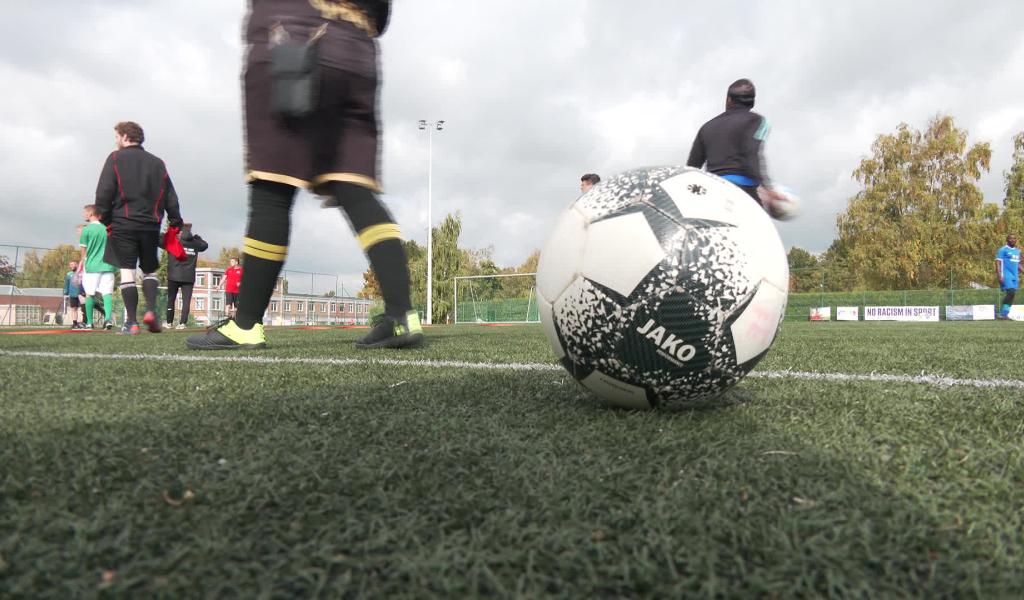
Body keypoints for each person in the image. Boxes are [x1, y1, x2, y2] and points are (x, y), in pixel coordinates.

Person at [188, 0, 422, 351]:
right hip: (358, 50)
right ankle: (403, 317)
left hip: (292, 35)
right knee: (354, 186)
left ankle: (246, 324)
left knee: (272, 187)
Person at [95, 121, 184, 334]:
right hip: (150, 224)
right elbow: (170, 193)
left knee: (127, 271)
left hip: (123, 223)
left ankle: (132, 322)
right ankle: (151, 311)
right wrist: (175, 220)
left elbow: (104, 191)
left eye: (116, 137)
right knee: (149, 269)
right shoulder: (157, 163)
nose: (115, 141)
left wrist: (105, 218)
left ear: (125, 137)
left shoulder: (115, 158)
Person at [686, 78, 784, 208]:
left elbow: (691, 169)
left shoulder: (706, 127)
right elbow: (751, 152)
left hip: (713, 194)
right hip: (745, 194)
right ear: (752, 103)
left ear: (728, 100)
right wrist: (768, 187)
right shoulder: (758, 121)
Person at [78, 204, 118, 330]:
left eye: (85, 212)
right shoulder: (106, 228)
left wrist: (82, 262)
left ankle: (89, 323)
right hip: (108, 265)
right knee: (107, 294)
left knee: (89, 294)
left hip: (92, 266)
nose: (84, 215)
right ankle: (107, 320)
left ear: (90, 214)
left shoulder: (87, 230)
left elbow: (83, 251)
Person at [165, 223, 209, 329]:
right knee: (186, 301)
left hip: (173, 276)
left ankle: (169, 322)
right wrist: (198, 238)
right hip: (188, 277)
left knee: (171, 299)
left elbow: (160, 241)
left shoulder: (174, 242)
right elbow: (205, 245)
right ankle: (182, 323)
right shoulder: (196, 244)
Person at [996, 233, 1021, 320]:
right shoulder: (1003, 250)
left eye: (1014, 238)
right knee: (1010, 291)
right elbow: (998, 263)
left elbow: (1018, 265)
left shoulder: (1018, 251)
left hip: (1015, 276)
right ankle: (1002, 313)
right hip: (1006, 274)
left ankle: (1005, 314)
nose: (1013, 240)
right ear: (1007, 240)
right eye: (1011, 238)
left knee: (1012, 294)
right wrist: (999, 275)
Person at [63, 260, 84, 329]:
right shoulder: (69, 274)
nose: (71, 266)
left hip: (82, 294)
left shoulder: (82, 273)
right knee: (73, 308)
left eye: (72, 264)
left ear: (77, 265)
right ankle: (75, 323)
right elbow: (66, 284)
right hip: (72, 294)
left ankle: (85, 322)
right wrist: (65, 293)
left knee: (84, 309)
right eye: (70, 265)